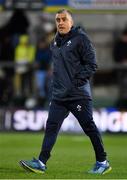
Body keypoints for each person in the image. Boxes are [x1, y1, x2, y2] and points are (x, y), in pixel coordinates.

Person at [19, 9, 112, 175]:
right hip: (59, 96)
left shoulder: (81, 39)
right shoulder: (55, 41)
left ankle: (102, 161)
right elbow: (59, 69)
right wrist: (56, 88)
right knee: (51, 127)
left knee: (88, 127)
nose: (60, 23)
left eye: (64, 19)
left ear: (71, 22)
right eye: (58, 20)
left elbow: (92, 64)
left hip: (78, 94)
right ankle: (41, 162)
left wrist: (76, 82)